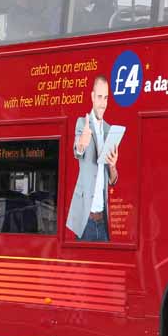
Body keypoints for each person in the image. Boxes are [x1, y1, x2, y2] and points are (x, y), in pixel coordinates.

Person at [66, 76, 119, 241]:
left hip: (102, 222)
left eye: (106, 98)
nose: (103, 103)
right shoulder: (83, 123)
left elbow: (113, 180)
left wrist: (112, 166)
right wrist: (82, 143)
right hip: (86, 221)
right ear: (92, 97)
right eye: (99, 97)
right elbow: (77, 152)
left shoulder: (109, 129)